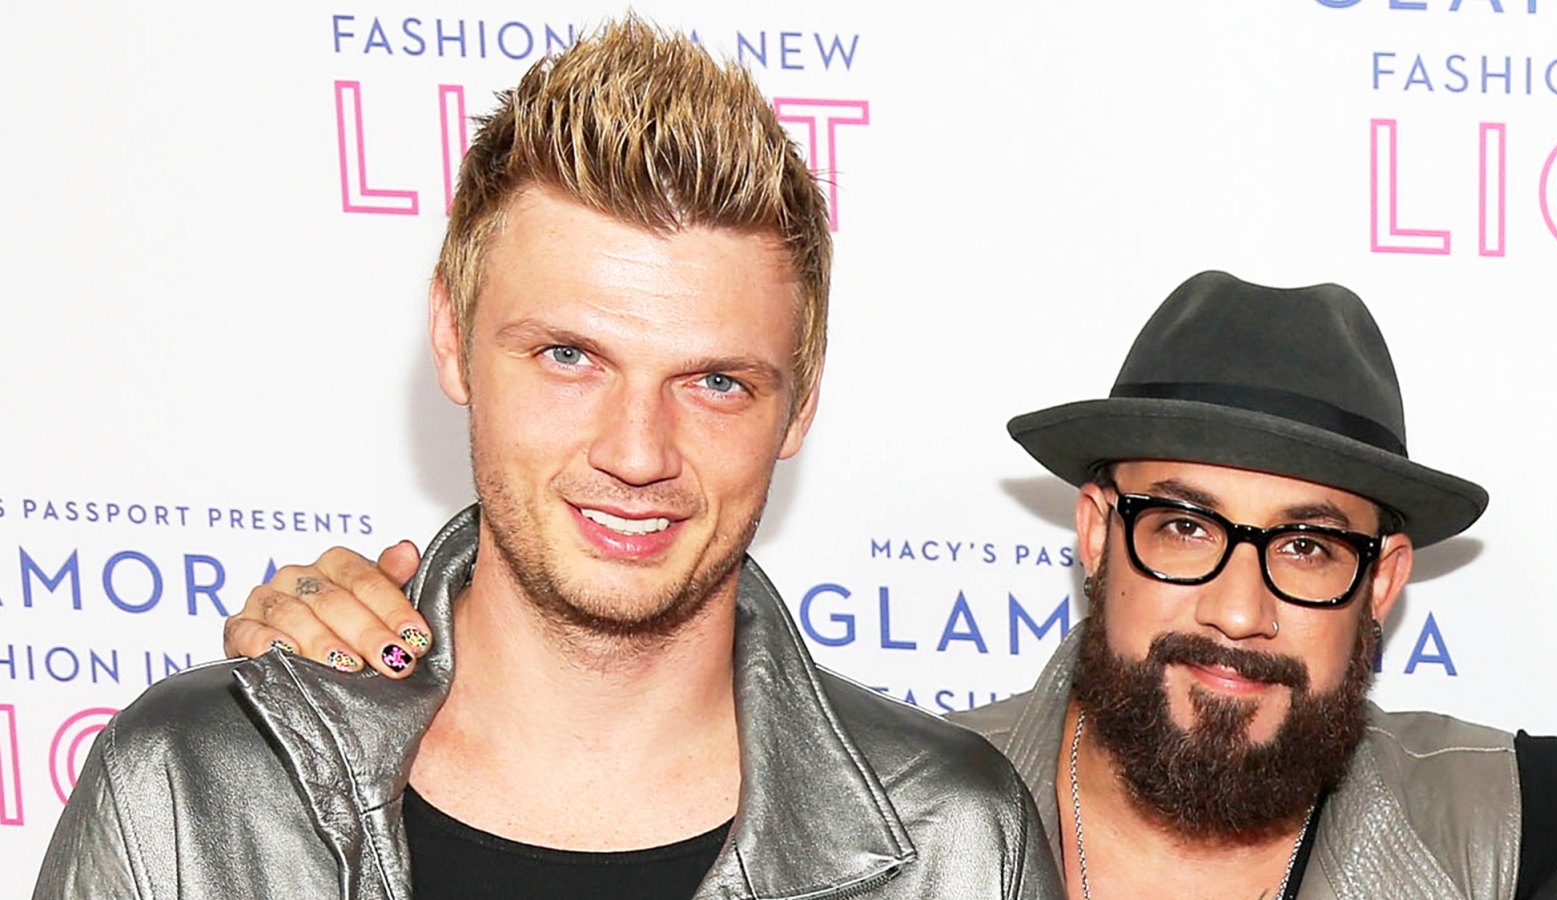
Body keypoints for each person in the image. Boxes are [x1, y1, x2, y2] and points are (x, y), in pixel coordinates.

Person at [32, 19, 1062, 900]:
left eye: (715, 382)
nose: (635, 451)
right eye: (569, 357)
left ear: (799, 401)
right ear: (450, 332)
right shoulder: (191, 790)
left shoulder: (954, 845)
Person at [235, 271, 1557, 899]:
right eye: (1183, 525)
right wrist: (347, 685)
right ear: (1093, 531)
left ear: (1386, 580)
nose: (1239, 610)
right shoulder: (880, 815)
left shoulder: (1526, 830)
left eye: (1309, 546)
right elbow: (593, 726)